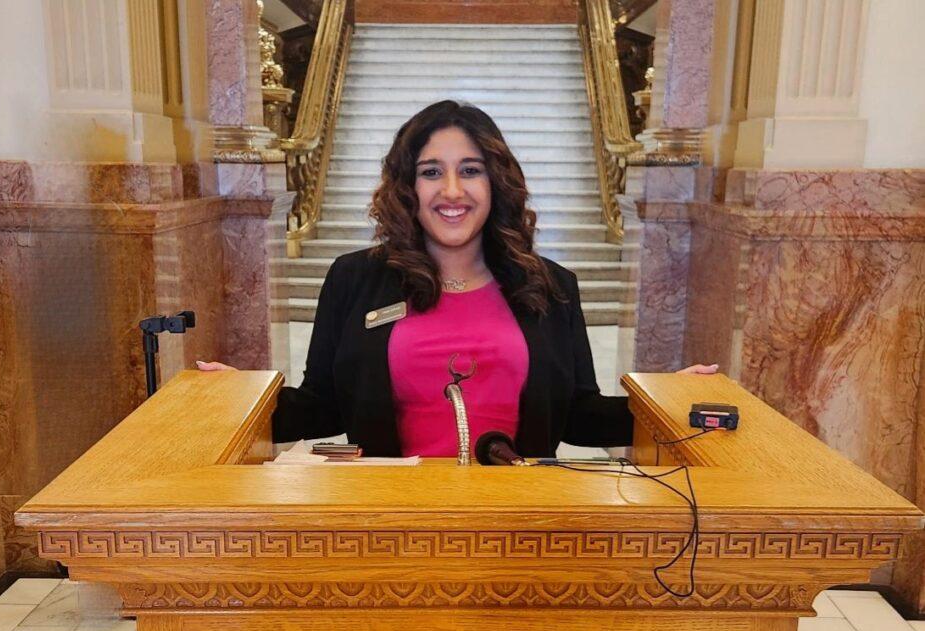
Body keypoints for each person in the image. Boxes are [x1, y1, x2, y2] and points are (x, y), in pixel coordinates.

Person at [199, 100, 716, 456]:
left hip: (523, 525)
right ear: (407, 186)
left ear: (496, 183)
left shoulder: (552, 286)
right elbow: (321, 408)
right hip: (389, 524)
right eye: (431, 172)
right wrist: (241, 399)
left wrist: (665, 405)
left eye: (470, 170)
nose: (452, 191)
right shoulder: (354, 280)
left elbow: (580, 418)